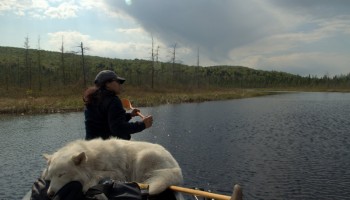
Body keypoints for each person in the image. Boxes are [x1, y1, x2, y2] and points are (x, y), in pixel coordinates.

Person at [83, 70, 153, 140]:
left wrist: (130, 115)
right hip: (106, 148)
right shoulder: (113, 100)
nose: (120, 84)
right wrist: (143, 124)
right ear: (107, 83)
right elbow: (118, 128)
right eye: (117, 81)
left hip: (90, 145)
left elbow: (105, 120)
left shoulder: (91, 100)